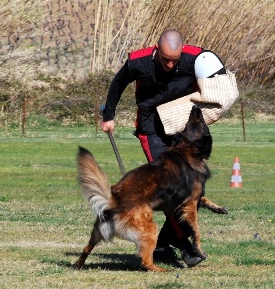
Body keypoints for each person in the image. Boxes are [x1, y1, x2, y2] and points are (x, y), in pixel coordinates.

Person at [101, 30, 211, 267]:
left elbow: (215, 75)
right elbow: (118, 82)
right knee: (168, 187)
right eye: (165, 59)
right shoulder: (138, 61)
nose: (170, 64)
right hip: (151, 127)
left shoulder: (195, 57)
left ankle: (163, 244)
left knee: (193, 190)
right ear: (156, 50)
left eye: (175, 59)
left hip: (181, 128)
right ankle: (185, 247)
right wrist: (108, 115)